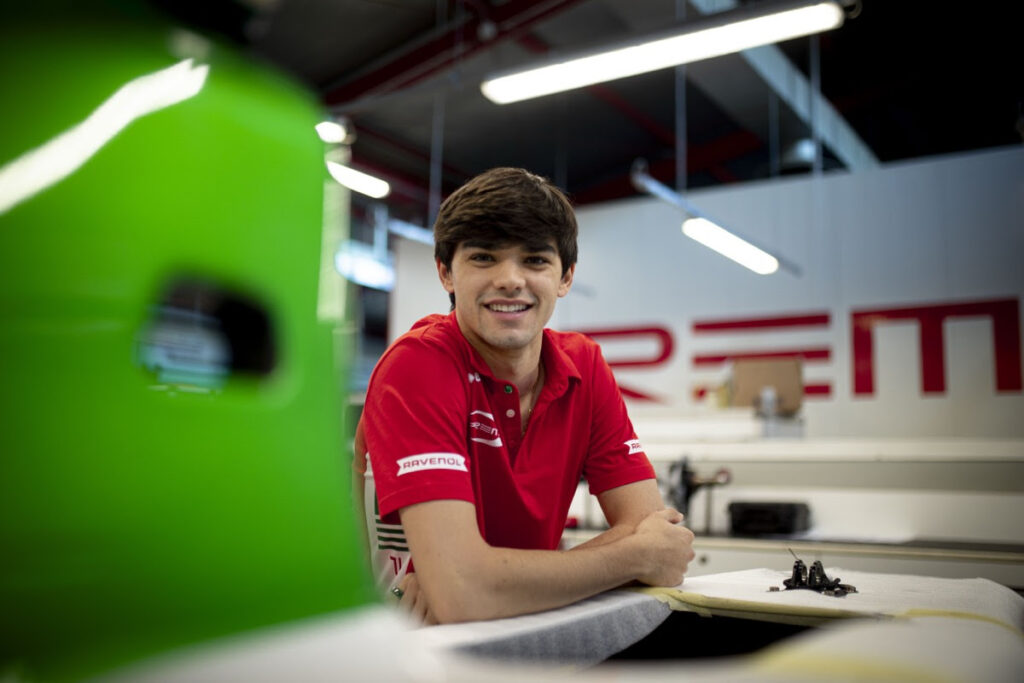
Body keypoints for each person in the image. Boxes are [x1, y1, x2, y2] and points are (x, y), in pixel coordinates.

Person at [356, 167, 694, 625]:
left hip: (518, 630)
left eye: (535, 260)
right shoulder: (417, 365)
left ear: (565, 277)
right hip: (397, 639)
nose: (510, 279)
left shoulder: (585, 367)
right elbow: (464, 596)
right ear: (445, 273)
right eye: (484, 258)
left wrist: (484, 580)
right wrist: (631, 557)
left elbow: (654, 535)